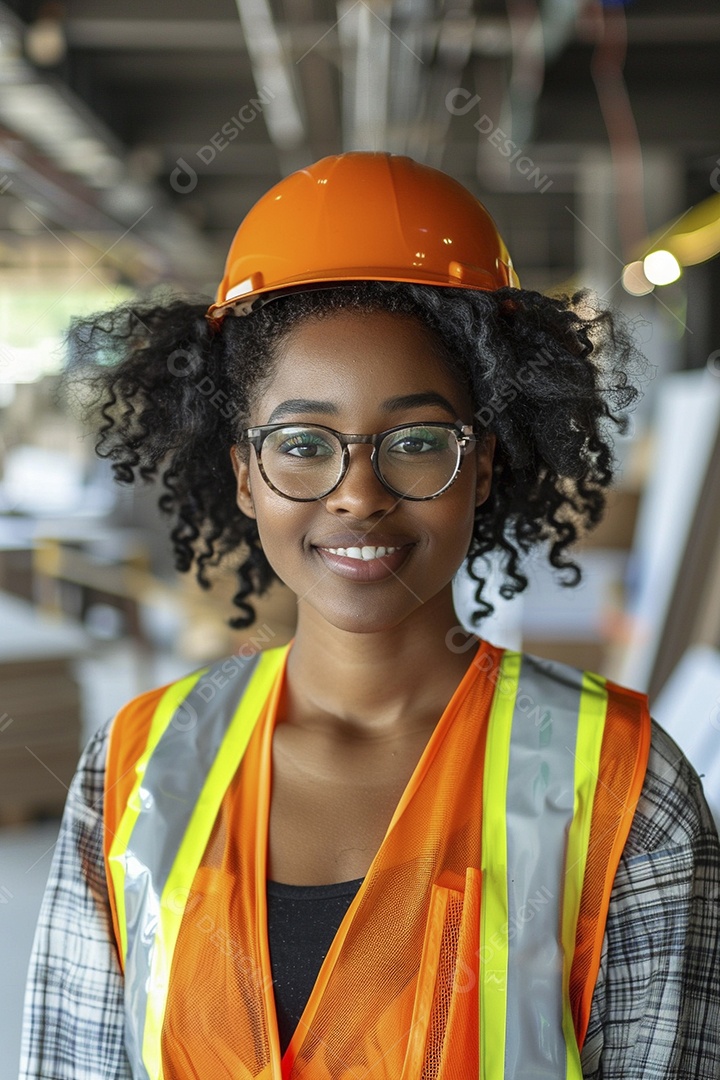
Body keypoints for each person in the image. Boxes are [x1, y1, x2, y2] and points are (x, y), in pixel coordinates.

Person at [20, 152, 720, 1080]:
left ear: (484, 465)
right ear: (243, 475)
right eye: (304, 444)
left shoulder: (626, 786)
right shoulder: (136, 769)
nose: (358, 493)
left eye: (418, 441)